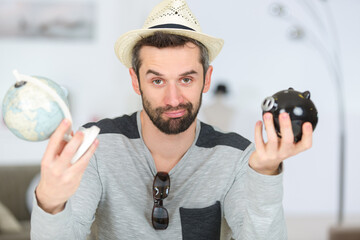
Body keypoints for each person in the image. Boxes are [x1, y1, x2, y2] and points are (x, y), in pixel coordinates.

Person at [31, 0, 313, 239]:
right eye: (157, 81)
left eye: (186, 79)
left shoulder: (238, 157)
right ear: (135, 81)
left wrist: (265, 175)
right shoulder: (95, 144)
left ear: (207, 79)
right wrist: (50, 203)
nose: (173, 99)